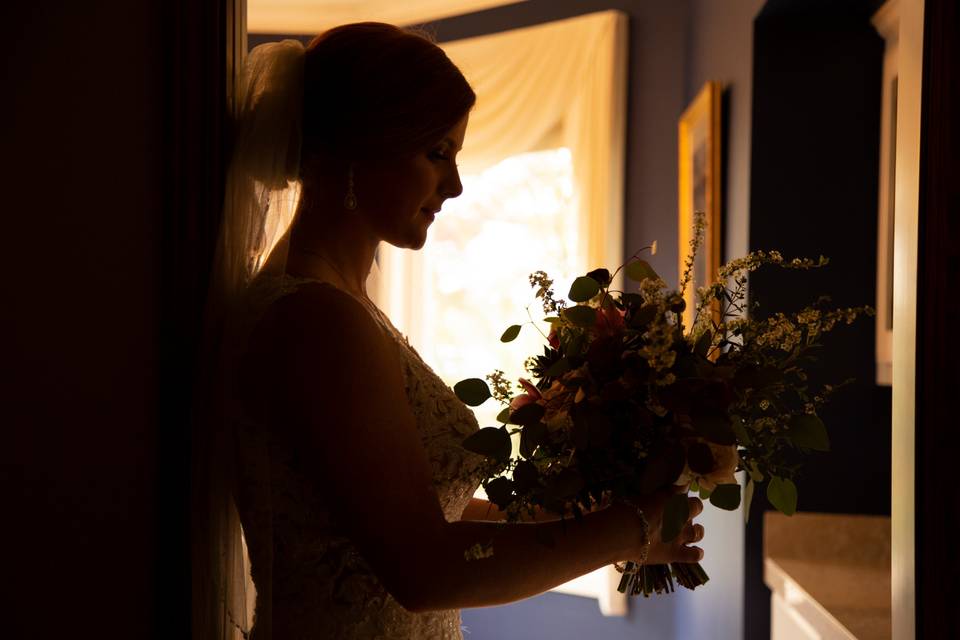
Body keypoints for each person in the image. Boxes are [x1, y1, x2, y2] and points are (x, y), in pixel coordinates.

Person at [193, 22, 706, 640]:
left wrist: (592, 516)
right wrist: (631, 528)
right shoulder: (317, 320)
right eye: (437, 153)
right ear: (361, 146)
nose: (455, 185)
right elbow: (424, 572)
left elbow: (422, 510)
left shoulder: (341, 304)